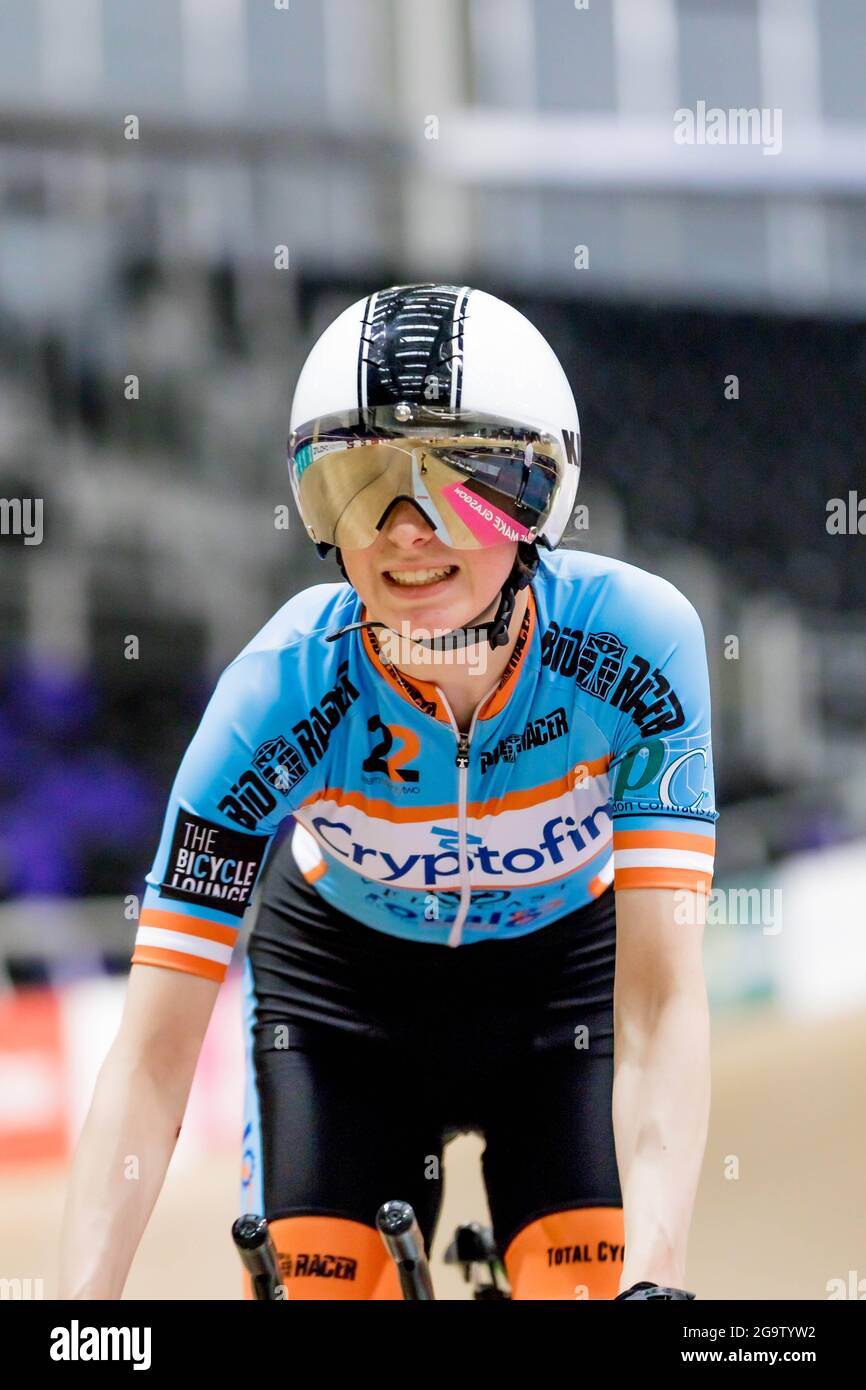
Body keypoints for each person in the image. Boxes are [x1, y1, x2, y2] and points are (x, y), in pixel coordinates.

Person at [60, 283, 716, 1301]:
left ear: (538, 493)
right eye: (359, 483)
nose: (405, 530)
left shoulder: (636, 645)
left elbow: (661, 997)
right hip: (340, 1008)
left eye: (457, 478)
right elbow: (152, 1058)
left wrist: (656, 1278)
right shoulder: (276, 693)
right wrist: (75, 1321)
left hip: (564, 996)